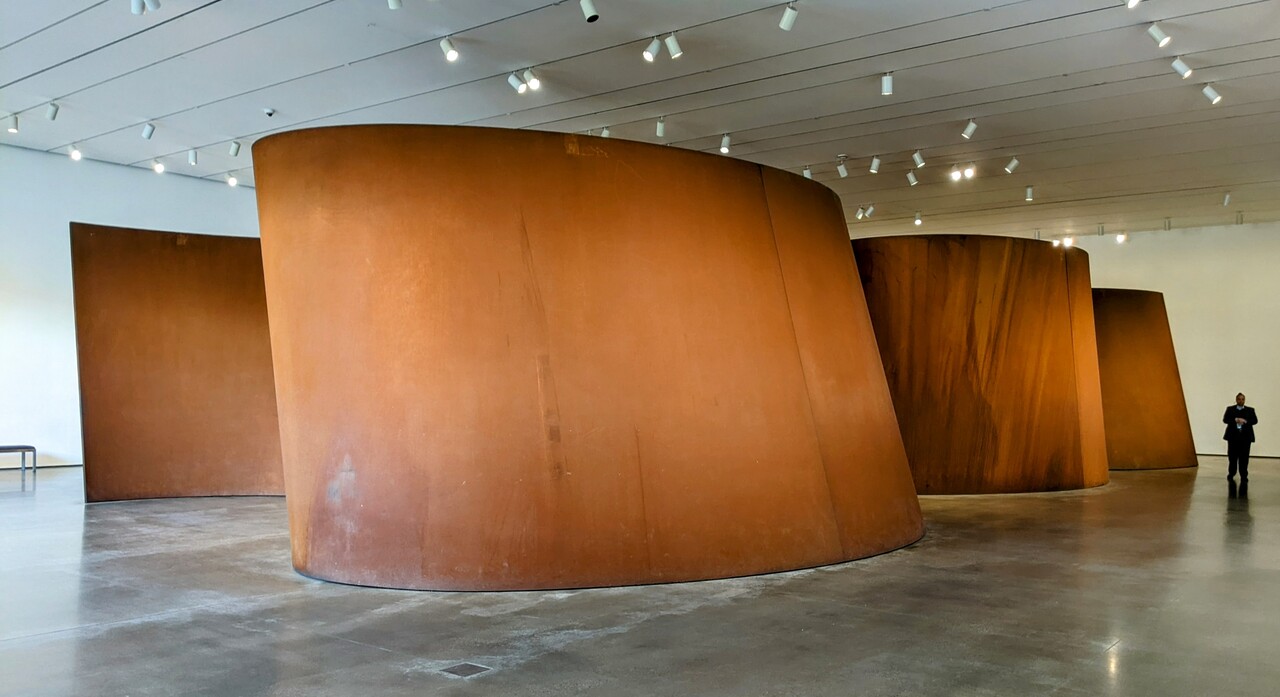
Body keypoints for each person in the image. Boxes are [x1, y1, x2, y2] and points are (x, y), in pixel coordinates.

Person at [1223, 393, 1258, 482]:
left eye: (1242, 399)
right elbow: (1225, 419)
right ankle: (1231, 473)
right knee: (1232, 457)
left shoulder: (1250, 410)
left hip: (1245, 437)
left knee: (1244, 457)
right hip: (1233, 437)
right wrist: (1235, 420)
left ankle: (1244, 475)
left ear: (1244, 400)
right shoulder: (1230, 409)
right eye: (1239, 399)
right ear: (1236, 399)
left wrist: (1245, 421)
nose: (1241, 401)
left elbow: (1255, 420)